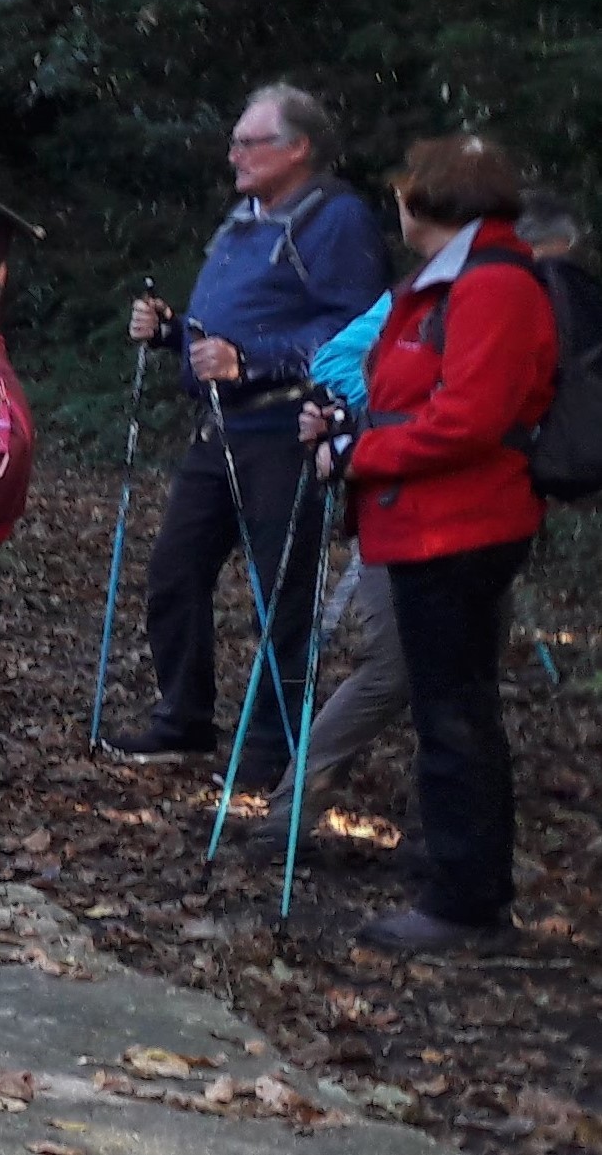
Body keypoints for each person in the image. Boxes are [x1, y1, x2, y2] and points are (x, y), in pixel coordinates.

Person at [252, 190, 583, 849]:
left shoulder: (531, 301)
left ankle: (442, 838)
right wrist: (369, 429)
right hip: (402, 499)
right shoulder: (434, 295)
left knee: (466, 674)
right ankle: (290, 811)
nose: (534, 277)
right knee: (394, 665)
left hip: (481, 514)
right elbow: (339, 361)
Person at [310, 137, 556, 952]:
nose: (397, 209)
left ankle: (464, 899)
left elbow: (468, 420)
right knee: (451, 705)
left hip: (460, 526)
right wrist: (353, 432)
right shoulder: (450, 283)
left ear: (429, 204)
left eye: (405, 196)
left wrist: (356, 452)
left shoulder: (490, 286)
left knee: (455, 711)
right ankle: (459, 878)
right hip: (428, 521)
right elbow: (413, 398)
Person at [106, 84, 391, 786]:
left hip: (286, 429)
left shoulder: (337, 220)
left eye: (248, 142)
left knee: (279, 594)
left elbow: (353, 330)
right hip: (221, 425)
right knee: (174, 571)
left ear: (297, 148)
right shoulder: (243, 217)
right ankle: (184, 717)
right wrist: (176, 333)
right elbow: (225, 329)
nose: (232, 153)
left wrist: (251, 360)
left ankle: (270, 745)